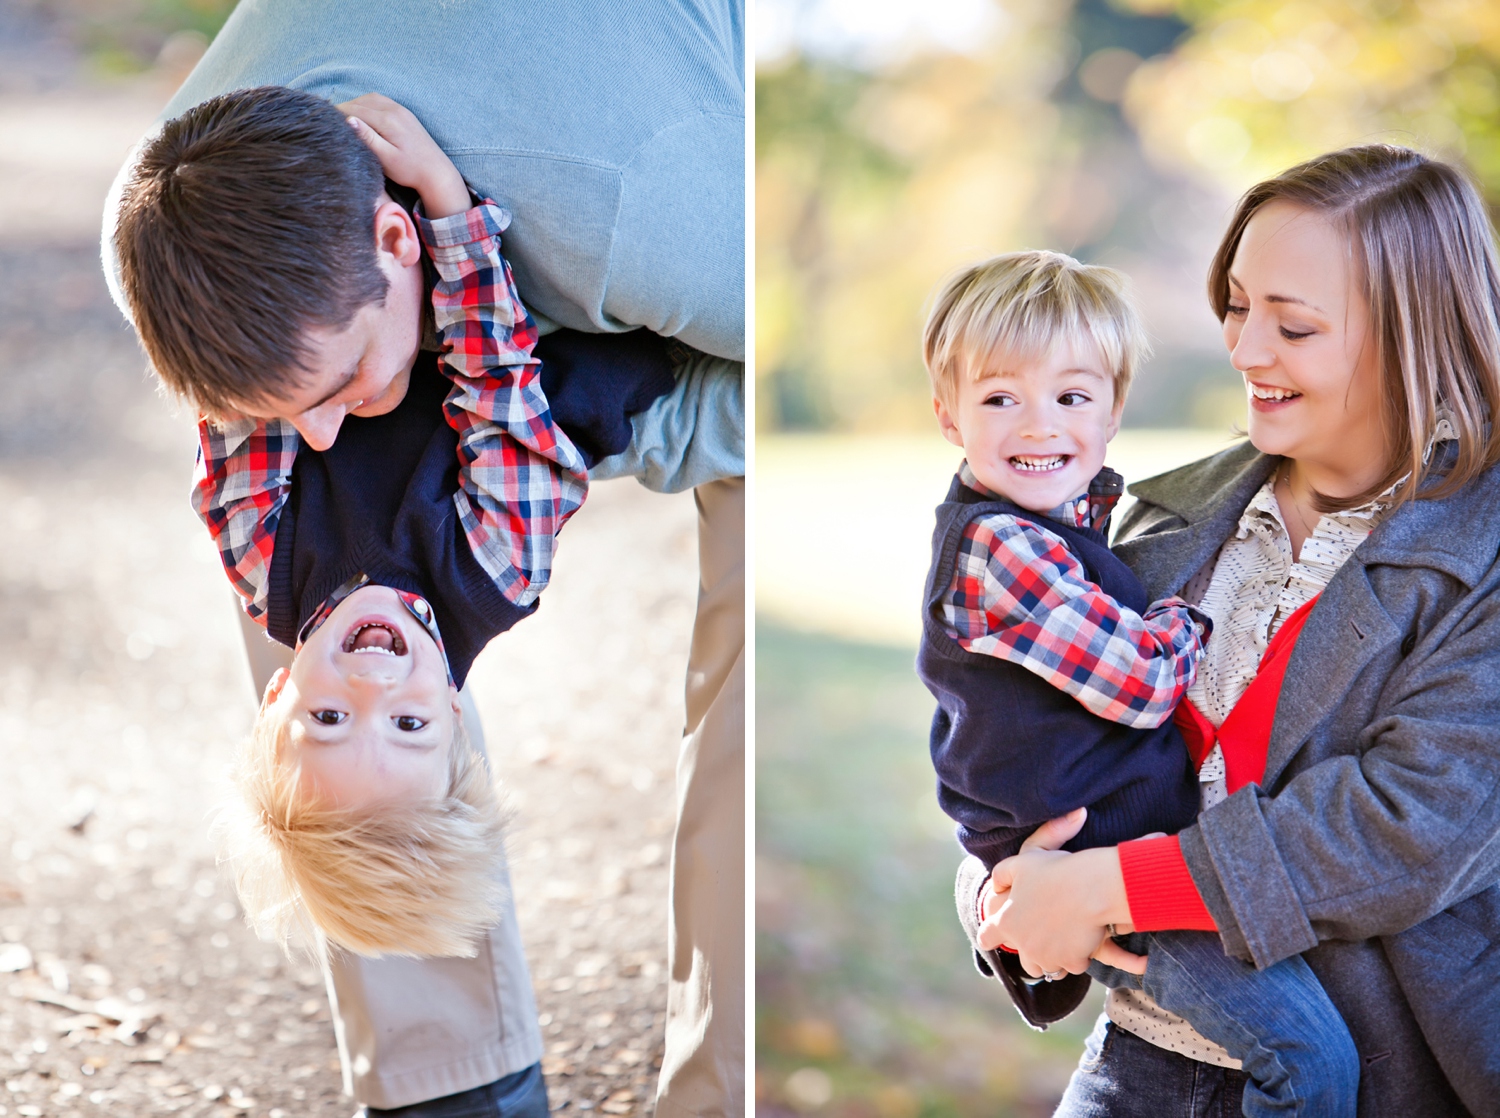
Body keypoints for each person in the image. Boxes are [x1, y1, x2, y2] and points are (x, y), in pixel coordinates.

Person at [102, 3, 746, 1113]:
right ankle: (452, 1078)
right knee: (345, 801)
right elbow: (492, 404)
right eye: (407, 719)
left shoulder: (641, 204)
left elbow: (494, 388)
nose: (369, 678)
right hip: (511, 366)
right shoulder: (168, 226)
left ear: (393, 245)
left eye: (324, 709)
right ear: (448, 712)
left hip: (646, 273)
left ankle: (729, 1082)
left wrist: (654, 431)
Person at [954, 144, 1500, 1117]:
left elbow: (1408, 823)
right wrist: (1010, 888)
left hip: (1382, 1080)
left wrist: (1104, 883)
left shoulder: (1482, 554)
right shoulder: (1161, 516)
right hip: (1134, 1063)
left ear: (1416, 336)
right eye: (1239, 305)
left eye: (1293, 325)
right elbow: (1033, 738)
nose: (1245, 351)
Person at [919, 250, 1358, 1116]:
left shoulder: (1063, 526)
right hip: (1108, 865)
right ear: (948, 415)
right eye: (1001, 398)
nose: (1039, 427)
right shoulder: (1004, 546)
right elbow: (1144, 685)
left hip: (1119, 856)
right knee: (1309, 1063)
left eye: (1071, 398)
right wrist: (1184, 619)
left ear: (1113, 409)